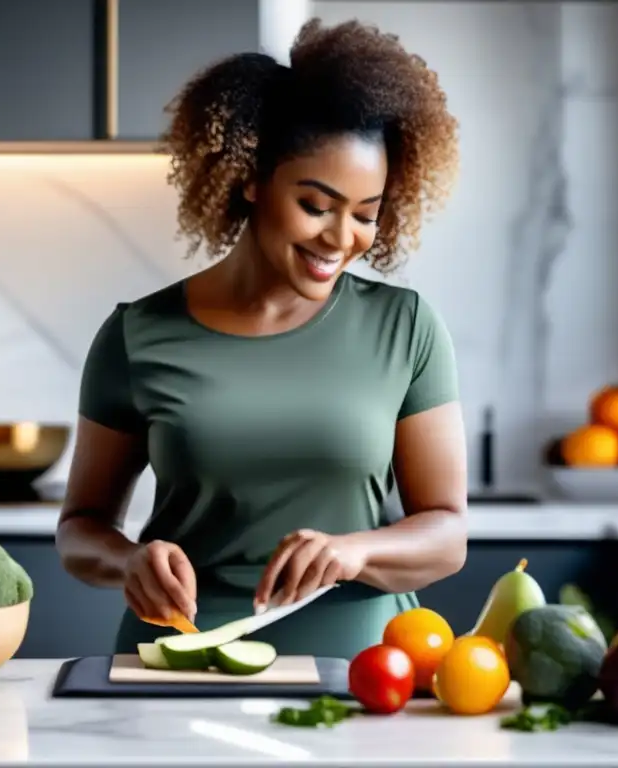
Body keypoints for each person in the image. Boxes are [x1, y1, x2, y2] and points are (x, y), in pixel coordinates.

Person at [56, 17, 467, 661]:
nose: (341, 238)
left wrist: (353, 550)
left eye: (367, 213)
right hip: (178, 664)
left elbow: (447, 535)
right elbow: (80, 530)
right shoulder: (137, 336)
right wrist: (129, 560)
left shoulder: (406, 328)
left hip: (362, 673)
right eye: (316, 204)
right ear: (251, 179)